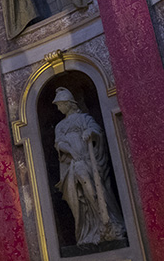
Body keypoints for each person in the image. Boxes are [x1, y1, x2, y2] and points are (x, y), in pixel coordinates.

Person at [53, 87, 125, 246]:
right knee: (81, 192)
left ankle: (106, 221)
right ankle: (93, 228)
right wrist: (70, 149)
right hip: (74, 164)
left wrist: (91, 133)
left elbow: (96, 130)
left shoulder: (84, 118)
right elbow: (59, 143)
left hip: (89, 161)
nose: (58, 108)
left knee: (94, 187)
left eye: (60, 104)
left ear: (68, 104)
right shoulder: (59, 126)